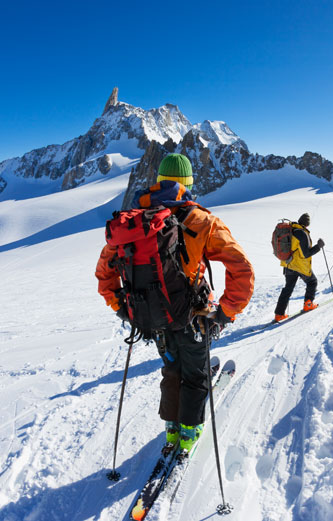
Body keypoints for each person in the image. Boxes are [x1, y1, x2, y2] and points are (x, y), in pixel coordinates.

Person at [95, 153, 254, 455]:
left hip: (152, 318)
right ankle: (188, 433)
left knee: (172, 369)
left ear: (158, 183)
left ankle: (171, 428)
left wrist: (123, 309)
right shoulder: (201, 221)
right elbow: (242, 268)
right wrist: (224, 313)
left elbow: (105, 273)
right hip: (194, 317)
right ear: (189, 184)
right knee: (196, 374)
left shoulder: (133, 224)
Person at [274, 213, 324, 322]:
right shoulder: (302, 233)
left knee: (288, 288)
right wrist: (318, 246)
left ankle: (279, 315)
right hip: (299, 266)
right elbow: (306, 253)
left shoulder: (291, 230)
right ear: (307, 224)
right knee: (312, 282)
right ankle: (308, 304)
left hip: (288, 264)